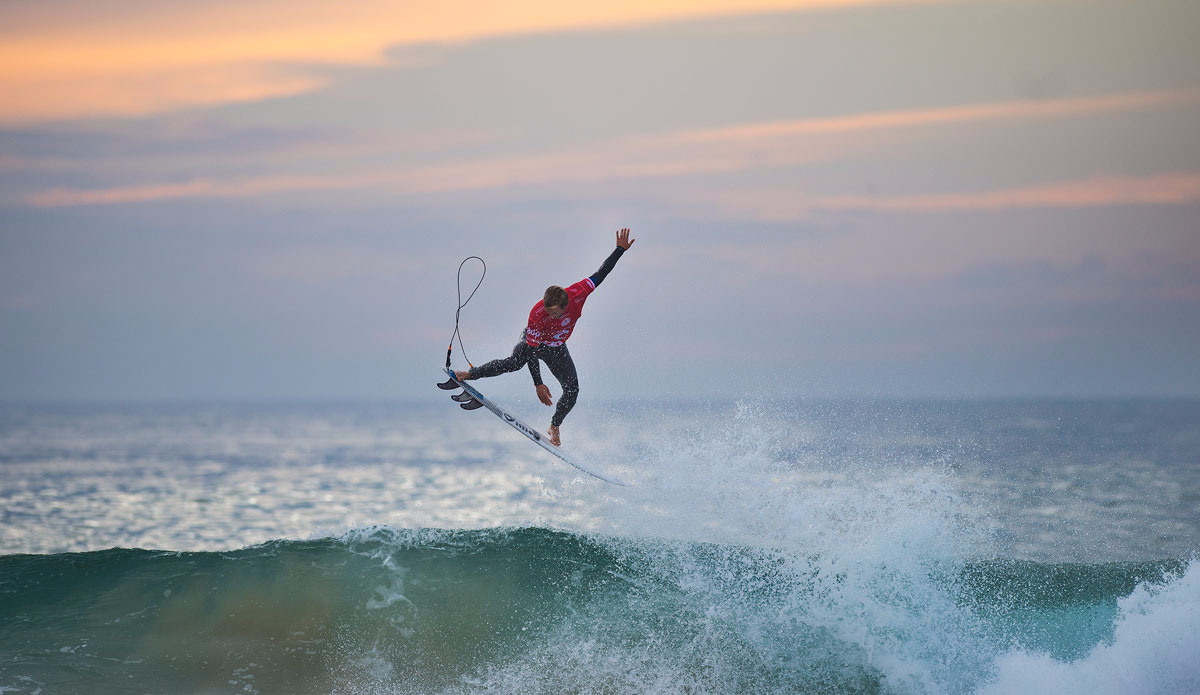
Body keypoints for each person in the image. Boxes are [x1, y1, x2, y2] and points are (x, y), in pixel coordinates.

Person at [455, 228, 635, 446]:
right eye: (548, 310)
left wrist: (619, 250)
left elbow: (601, 273)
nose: (550, 315)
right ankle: (469, 375)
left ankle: (555, 426)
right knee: (514, 362)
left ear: (565, 305)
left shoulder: (579, 293)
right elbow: (532, 351)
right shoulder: (537, 314)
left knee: (573, 390)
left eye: (555, 312)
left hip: (557, 348)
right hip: (533, 344)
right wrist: (538, 384)